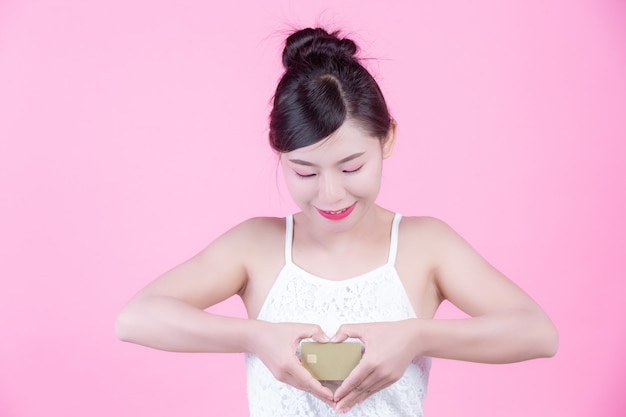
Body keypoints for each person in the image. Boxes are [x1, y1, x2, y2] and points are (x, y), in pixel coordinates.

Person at [115, 27, 558, 416]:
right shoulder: (255, 245)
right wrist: (256, 337)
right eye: (305, 172)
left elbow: (536, 332)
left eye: (351, 168)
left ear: (387, 140)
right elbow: (136, 318)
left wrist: (416, 337)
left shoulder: (425, 245)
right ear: (281, 158)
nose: (331, 195)